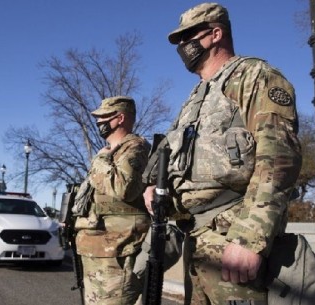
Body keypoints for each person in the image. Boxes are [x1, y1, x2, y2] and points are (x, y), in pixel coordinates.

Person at [142, 3, 302, 304]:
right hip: (197, 241)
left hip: (232, 239)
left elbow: (279, 158)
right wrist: (156, 188)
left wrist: (249, 239)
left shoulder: (254, 76)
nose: (181, 46)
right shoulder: (195, 98)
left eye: (188, 37)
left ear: (216, 34)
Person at [75, 96, 151, 305]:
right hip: (97, 249)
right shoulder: (112, 152)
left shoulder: (135, 147)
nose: (99, 122)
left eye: (104, 117)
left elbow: (123, 188)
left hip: (117, 252)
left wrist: (99, 160)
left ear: (120, 118)